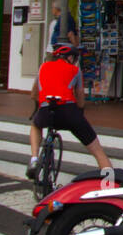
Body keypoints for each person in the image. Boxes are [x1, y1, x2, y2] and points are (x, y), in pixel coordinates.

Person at [27, 45, 113, 177]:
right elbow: (80, 98)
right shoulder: (75, 70)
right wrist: (80, 111)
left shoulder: (43, 67)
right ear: (71, 58)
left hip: (46, 109)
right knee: (97, 150)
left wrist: (42, 105)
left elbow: (33, 95)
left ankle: (34, 159)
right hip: (69, 112)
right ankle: (109, 181)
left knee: (35, 125)